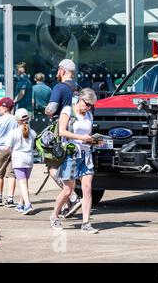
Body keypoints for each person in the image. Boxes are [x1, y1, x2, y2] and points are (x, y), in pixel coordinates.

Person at [50, 88, 99, 233]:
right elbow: (62, 131)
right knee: (67, 190)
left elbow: (87, 135)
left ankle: (86, 223)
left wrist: (94, 141)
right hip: (71, 154)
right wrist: (80, 138)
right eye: (87, 104)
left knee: (87, 189)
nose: (89, 107)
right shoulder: (68, 111)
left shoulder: (89, 115)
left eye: (91, 105)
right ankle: (54, 215)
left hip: (86, 155)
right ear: (80, 99)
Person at [44, 59, 82, 218]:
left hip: (60, 131)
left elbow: (51, 109)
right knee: (68, 168)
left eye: (58, 69)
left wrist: (47, 111)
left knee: (53, 167)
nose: (57, 72)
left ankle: (73, 197)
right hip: (75, 132)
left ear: (62, 70)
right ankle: (69, 203)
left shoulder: (59, 87)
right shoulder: (77, 88)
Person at [4, 108, 37, 215]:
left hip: (18, 159)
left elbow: (7, 147)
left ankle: (27, 205)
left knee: (22, 183)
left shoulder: (13, 132)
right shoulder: (33, 132)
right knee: (25, 182)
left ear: (17, 120)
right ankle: (20, 204)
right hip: (29, 159)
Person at [0, 97, 18, 207]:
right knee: (11, 174)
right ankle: (10, 199)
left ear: (5, 108)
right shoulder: (15, 119)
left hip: (1, 149)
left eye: (0, 106)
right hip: (13, 149)